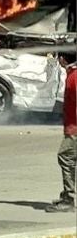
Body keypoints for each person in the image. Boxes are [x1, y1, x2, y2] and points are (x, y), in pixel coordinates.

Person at [47, 56, 77, 213]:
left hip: (75, 128)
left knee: (66, 157)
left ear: (64, 59)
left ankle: (68, 199)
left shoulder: (74, 77)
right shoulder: (71, 74)